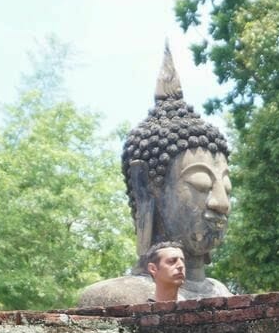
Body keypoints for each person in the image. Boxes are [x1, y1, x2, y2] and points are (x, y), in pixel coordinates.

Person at [77, 45, 232, 307]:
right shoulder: (115, 299)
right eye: (200, 184)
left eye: (226, 187)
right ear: (146, 189)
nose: (221, 203)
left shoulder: (223, 293)